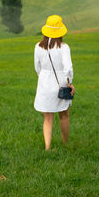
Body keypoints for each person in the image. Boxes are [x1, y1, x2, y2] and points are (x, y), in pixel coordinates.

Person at [33, 14, 74, 150]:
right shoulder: (64, 47)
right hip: (60, 83)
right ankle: (65, 144)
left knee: (47, 118)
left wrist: (44, 76)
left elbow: (37, 67)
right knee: (64, 115)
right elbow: (68, 68)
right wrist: (70, 84)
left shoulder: (38, 47)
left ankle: (47, 147)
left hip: (44, 82)